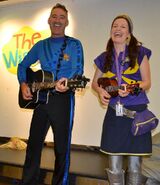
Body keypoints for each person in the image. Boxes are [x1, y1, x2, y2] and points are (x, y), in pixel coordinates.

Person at [17, 3, 84, 185]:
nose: (57, 20)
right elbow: (22, 65)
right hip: (41, 101)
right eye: (54, 16)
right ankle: (28, 181)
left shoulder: (74, 45)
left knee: (61, 148)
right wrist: (24, 84)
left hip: (63, 99)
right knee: (33, 145)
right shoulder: (40, 45)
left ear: (67, 22)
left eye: (61, 17)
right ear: (49, 20)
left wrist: (67, 83)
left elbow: (78, 70)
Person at [92, 14, 152, 185]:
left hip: (137, 114)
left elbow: (147, 82)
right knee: (114, 166)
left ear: (129, 34)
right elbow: (95, 84)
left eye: (122, 26)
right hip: (114, 115)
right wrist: (100, 92)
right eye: (115, 26)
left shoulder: (140, 53)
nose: (117, 29)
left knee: (135, 166)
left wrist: (130, 88)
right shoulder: (104, 57)